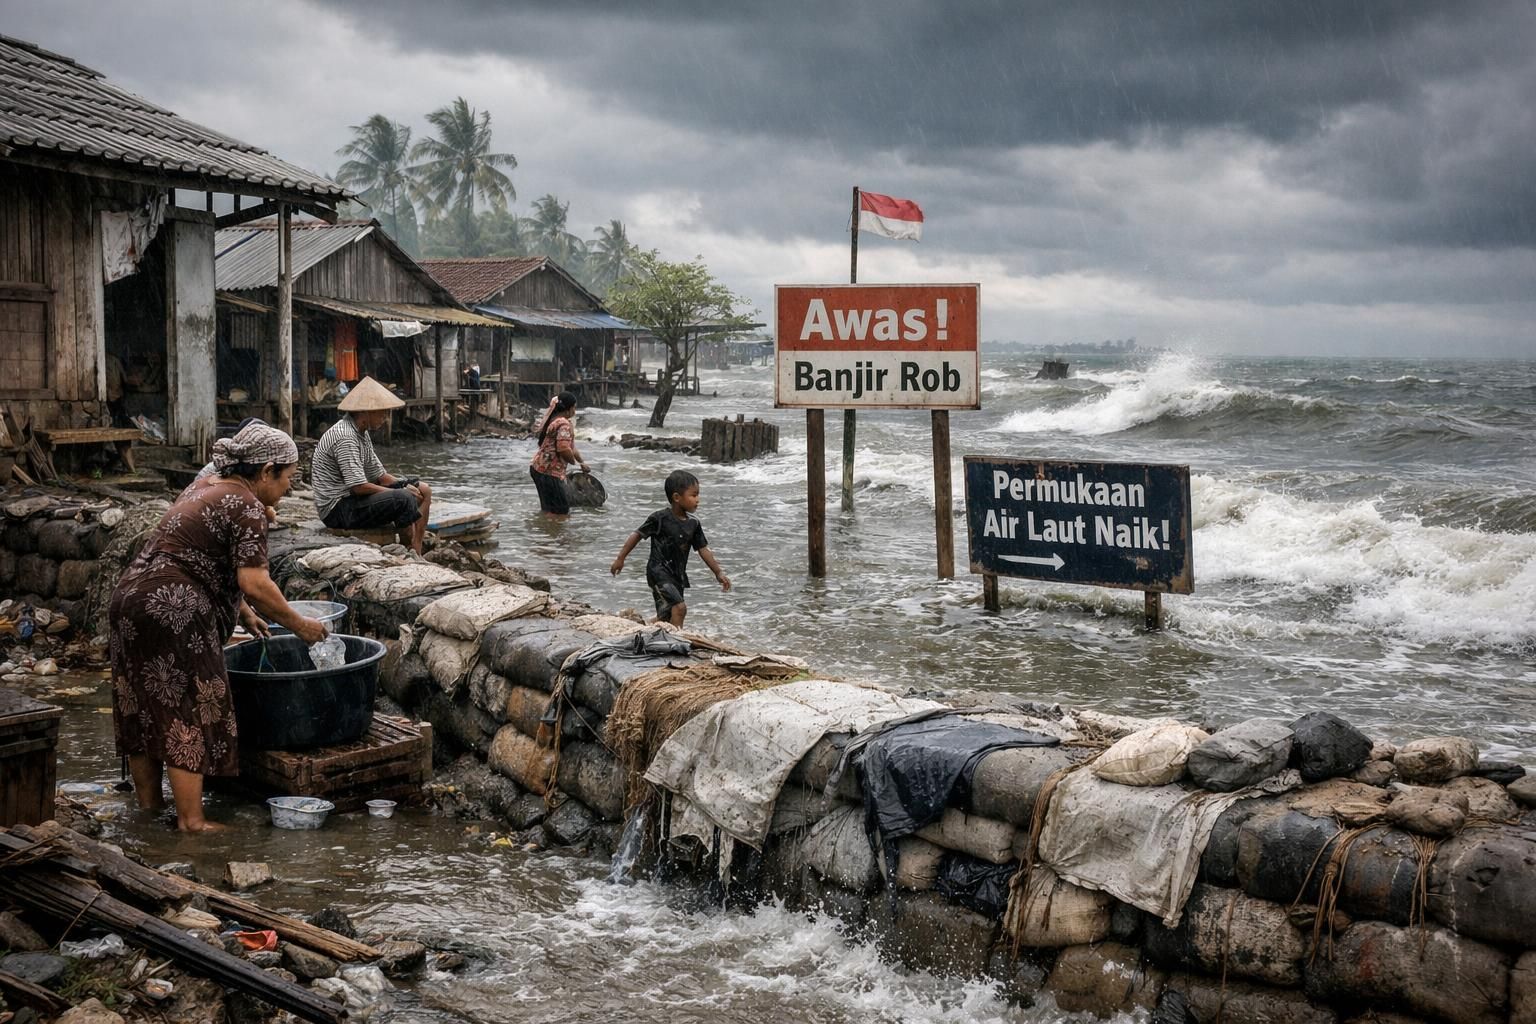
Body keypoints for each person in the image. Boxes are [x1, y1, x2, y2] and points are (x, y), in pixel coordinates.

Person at [109, 422, 328, 832]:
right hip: (173, 608)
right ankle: (193, 822)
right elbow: (256, 582)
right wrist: (301, 625)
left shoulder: (207, 484)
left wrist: (243, 612)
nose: (289, 491)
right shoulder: (246, 505)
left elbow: (199, 554)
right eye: (288, 480)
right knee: (185, 704)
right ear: (265, 471)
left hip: (129, 599)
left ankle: (150, 811)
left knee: (142, 704)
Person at [311, 376, 433, 552]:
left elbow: (381, 476)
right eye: (382, 412)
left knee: (424, 490)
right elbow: (358, 487)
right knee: (404, 498)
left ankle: (417, 547)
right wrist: (399, 491)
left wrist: (407, 485)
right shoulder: (345, 436)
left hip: (353, 499)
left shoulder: (361, 432)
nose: (385, 417)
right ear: (365, 412)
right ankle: (409, 551)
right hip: (338, 509)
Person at [610, 469, 731, 627]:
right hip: (658, 572)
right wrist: (620, 559)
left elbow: (703, 549)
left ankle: (644, 627)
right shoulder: (659, 518)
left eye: (698, 495)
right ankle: (675, 642)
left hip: (677, 575)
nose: (698, 500)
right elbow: (637, 535)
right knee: (680, 608)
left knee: (666, 615)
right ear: (676, 497)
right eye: (693, 495)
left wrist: (718, 572)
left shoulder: (693, 524)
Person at [528, 392, 588, 517]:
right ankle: (554, 533)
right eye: (574, 407)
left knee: (549, 509)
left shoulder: (556, 419)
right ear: (569, 408)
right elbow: (563, 449)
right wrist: (573, 462)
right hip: (548, 472)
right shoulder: (564, 424)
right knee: (561, 511)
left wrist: (582, 463)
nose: (575, 411)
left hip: (539, 469)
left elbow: (571, 447)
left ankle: (545, 532)